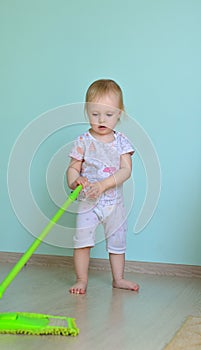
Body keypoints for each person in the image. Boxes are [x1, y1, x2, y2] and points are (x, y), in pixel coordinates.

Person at [66, 79, 139, 294]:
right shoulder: (83, 141)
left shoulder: (122, 142)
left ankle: (119, 278)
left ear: (119, 114)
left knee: (117, 241)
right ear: (87, 111)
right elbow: (73, 167)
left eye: (108, 115)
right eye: (95, 114)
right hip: (89, 202)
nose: (101, 120)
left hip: (113, 203)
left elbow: (125, 170)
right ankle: (81, 279)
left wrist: (104, 184)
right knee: (82, 241)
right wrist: (75, 179)